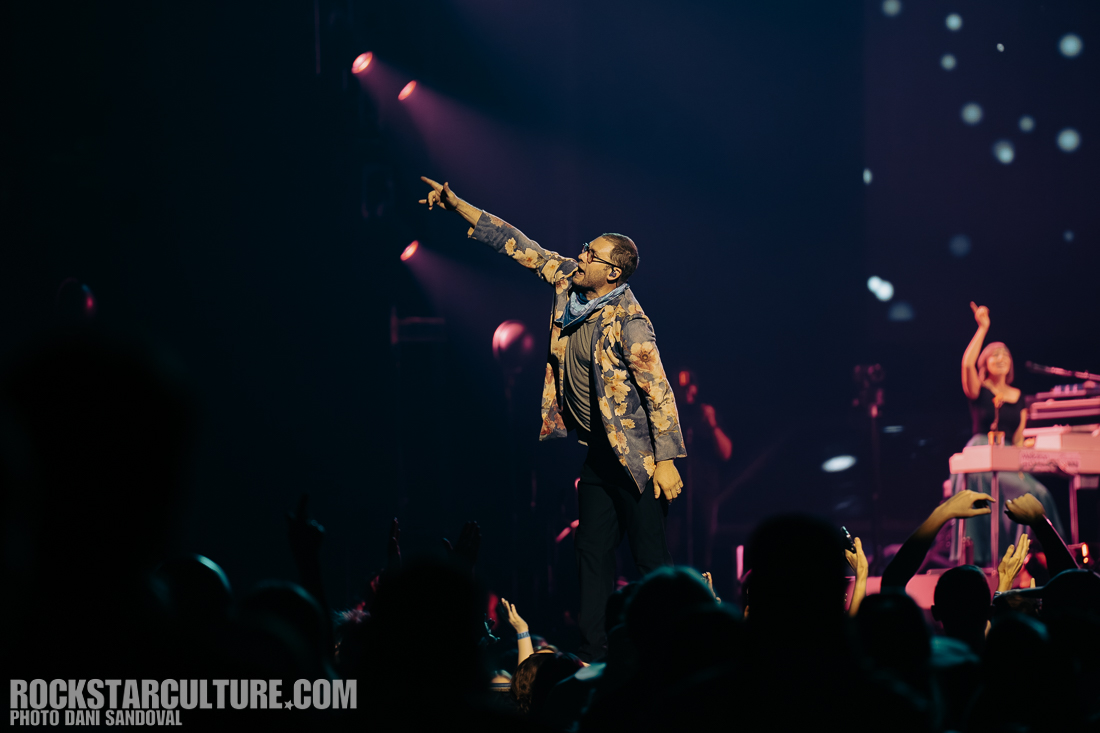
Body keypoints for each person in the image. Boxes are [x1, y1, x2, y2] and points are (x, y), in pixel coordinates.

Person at [420, 177, 686, 662]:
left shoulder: (630, 323)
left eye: (590, 254)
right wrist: (458, 206)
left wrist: (667, 461)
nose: (579, 256)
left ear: (612, 272)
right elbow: (518, 244)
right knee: (591, 553)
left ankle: (673, 653)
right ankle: (594, 657)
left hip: (638, 459)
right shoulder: (569, 283)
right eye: (584, 249)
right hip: (600, 455)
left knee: (650, 559)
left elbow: (658, 389)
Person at [956, 301, 1063, 566]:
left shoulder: (1018, 397)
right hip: (982, 452)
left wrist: (1028, 452)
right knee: (1021, 492)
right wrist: (983, 328)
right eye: (994, 355)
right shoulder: (979, 390)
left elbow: (1018, 439)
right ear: (985, 363)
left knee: (1040, 493)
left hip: (1008, 455)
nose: (1001, 357)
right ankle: (1006, 557)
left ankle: (1048, 557)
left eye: (1005, 354)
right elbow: (967, 364)